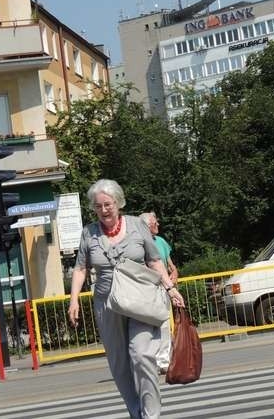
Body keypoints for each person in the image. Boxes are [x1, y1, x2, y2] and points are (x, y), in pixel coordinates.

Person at [68, 179, 184, 419]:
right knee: (120, 364)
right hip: (107, 304)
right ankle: (136, 412)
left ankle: (151, 414)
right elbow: (81, 268)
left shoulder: (136, 226)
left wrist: (170, 288)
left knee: (141, 354)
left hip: (140, 299)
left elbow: (154, 260)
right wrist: (74, 300)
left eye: (108, 204)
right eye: (98, 206)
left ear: (118, 202)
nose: (103, 210)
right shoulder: (88, 233)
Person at [139, 211, 179, 374]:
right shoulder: (140, 244)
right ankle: (151, 361)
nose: (158, 225)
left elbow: (170, 265)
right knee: (149, 326)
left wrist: (174, 272)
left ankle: (163, 361)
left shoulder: (161, 241)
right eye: (154, 223)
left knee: (164, 324)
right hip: (148, 289)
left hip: (164, 288)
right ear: (146, 227)